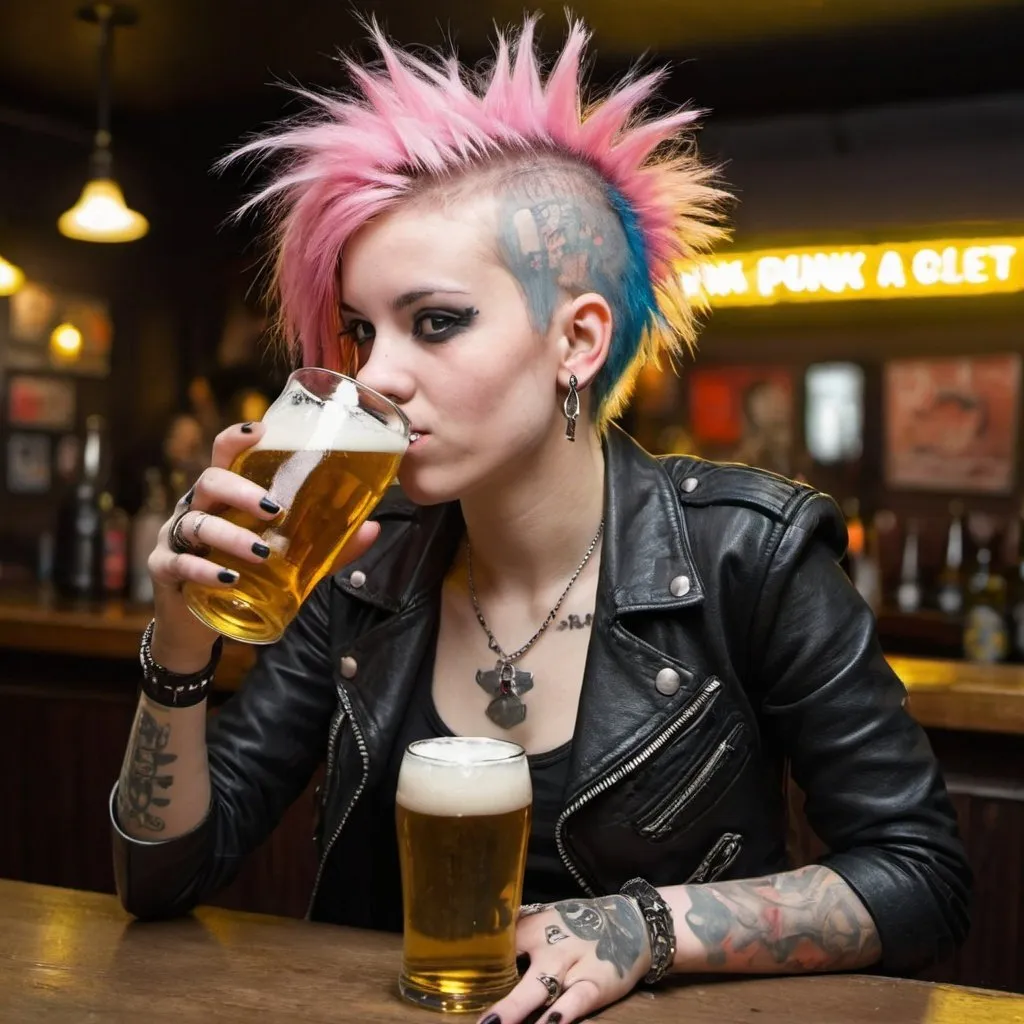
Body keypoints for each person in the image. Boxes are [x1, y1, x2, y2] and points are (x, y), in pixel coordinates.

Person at [111, 17, 970, 1024]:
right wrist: (178, 645)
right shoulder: (353, 563)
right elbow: (160, 879)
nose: (376, 375)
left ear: (577, 339)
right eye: (360, 330)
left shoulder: (753, 551)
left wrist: (643, 930)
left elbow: (921, 877)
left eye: (435, 322)